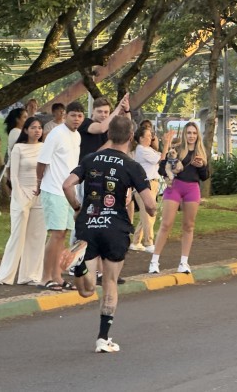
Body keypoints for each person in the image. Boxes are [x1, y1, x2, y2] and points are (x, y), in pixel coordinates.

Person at [60, 115, 157, 353]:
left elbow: (67, 185)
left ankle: (80, 268)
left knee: (86, 291)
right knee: (110, 282)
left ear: (109, 134)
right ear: (131, 137)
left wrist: (77, 208)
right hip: (115, 228)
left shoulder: (91, 158)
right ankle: (103, 339)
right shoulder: (132, 166)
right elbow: (150, 204)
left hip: (88, 224)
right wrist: (150, 208)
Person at [148, 121, 208, 274]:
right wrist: (169, 173)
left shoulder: (201, 151)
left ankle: (184, 262)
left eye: (194, 133)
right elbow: (162, 168)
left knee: (189, 225)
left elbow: (205, 176)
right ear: (184, 134)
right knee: (166, 224)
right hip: (175, 186)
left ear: (198, 135)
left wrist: (201, 166)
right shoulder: (177, 149)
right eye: (189, 133)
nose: (191, 136)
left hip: (192, 189)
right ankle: (154, 261)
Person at [36, 102, 84, 291]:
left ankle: (57, 276)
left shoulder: (77, 135)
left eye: (79, 116)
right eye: (73, 115)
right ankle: (45, 278)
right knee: (56, 234)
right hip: (53, 188)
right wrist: (38, 183)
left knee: (63, 235)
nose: (76, 119)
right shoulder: (56, 134)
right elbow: (42, 162)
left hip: (68, 191)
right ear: (65, 116)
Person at [0, 117, 46, 286]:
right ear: (25, 130)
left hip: (40, 195)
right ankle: (4, 276)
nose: (37, 131)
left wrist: (42, 189)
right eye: (33, 127)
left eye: (39, 128)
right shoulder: (18, 148)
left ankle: (30, 275)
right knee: (17, 235)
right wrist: (19, 194)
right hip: (21, 194)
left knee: (37, 237)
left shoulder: (44, 148)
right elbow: (13, 175)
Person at [130, 127, 173, 252]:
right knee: (149, 215)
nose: (151, 138)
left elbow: (164, 156)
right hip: (145, 185)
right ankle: (149, 242)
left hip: (152, 184)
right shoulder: (141, 150)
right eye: (149, 135)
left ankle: (136, 241)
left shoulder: (148, 149)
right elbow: (161, 159)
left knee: (146, 214)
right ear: (141, 138)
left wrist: (168, 142)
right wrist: (166, 143)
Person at [78, 95, 130, 161]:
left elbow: (127, 129)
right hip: (85, 164)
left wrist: (127, 111)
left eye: (106, 112)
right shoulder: (85, 122)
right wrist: (118, 108)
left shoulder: (109, 127)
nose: (103, 115)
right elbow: (101, 128)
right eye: (99, 111)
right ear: (93, 111)